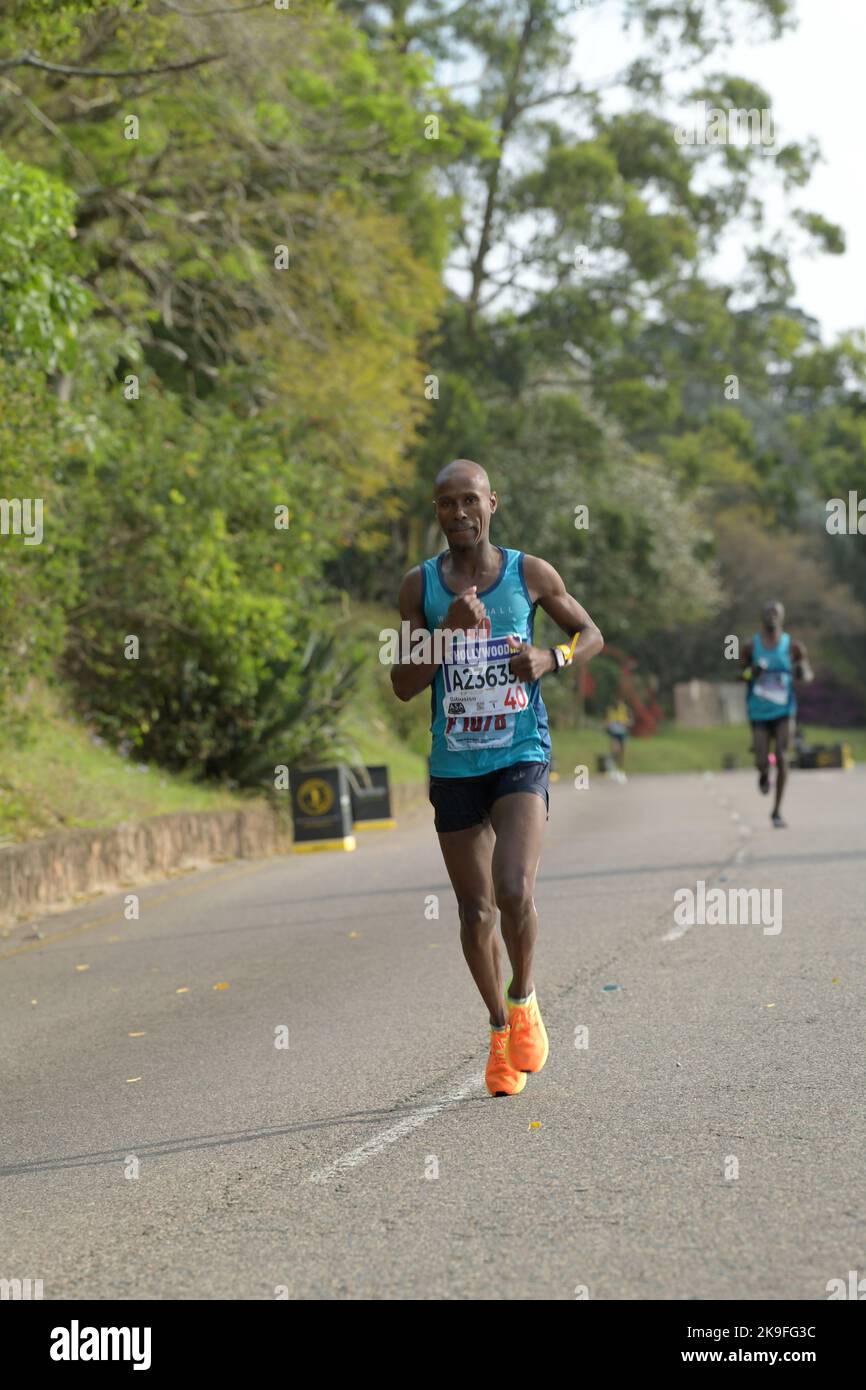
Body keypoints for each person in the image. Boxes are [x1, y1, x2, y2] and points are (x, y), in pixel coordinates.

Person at [390, 459, 603, 1096]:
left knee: (513, 888)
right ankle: (498, 1032)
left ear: (492, 503)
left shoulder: (528, 573)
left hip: (519, 753)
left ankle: (525, 997)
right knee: (475, 908)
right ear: (437, 512)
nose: (459, 513)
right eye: (446, 504)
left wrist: (551, 657)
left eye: (469, 501)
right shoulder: (419, 587)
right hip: (454, 764)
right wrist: (444, 636)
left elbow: (590, 632)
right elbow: (402, 684)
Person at [740, 600, 813, 828]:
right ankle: (763, 773)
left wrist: (802, 673)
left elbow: (808, 675)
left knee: (782, 757)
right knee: (762, 760)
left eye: (776, 613)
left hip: (784, 710)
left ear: (782, 617)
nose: (772, 616)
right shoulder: (747, 645)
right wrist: (751, 673)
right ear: (761, 617)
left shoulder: (795, 647)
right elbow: (735, 675)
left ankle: (776, 811)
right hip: (759, 711)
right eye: (768, 612)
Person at [604, 698, 631, 781]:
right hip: (614, 733)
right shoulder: (610, 710)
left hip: (622, 732)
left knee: (622, 752)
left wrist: (625, 723)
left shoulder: (625, 709)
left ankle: (620, 770)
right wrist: (608, 725)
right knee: (615, 750)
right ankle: (611, 767)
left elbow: (630, 720)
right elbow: (607, 721)